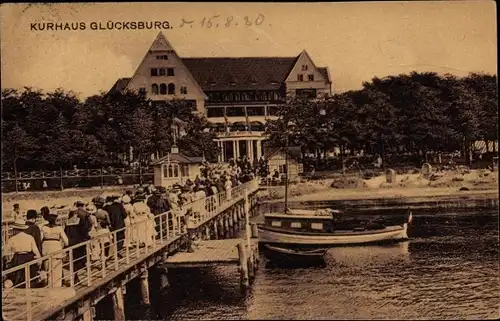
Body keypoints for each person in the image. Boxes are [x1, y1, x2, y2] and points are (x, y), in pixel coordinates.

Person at [3, 219, 42, 288]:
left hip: (17, 259)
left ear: (15, 229)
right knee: (28, 277)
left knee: (17, 277)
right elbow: (36, 252)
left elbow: (5, 253)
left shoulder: (12, 239)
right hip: (29, 258)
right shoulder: (30, 237)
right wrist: (39, 262)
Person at [41, 213, 69, 287]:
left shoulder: (44, 228)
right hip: (56, 249)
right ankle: (56, 287)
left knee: (47, 270)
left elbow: (40, 239)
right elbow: (66, 242)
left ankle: (48, 286)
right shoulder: (59, 228)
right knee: (56, 271)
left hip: (46, 249)